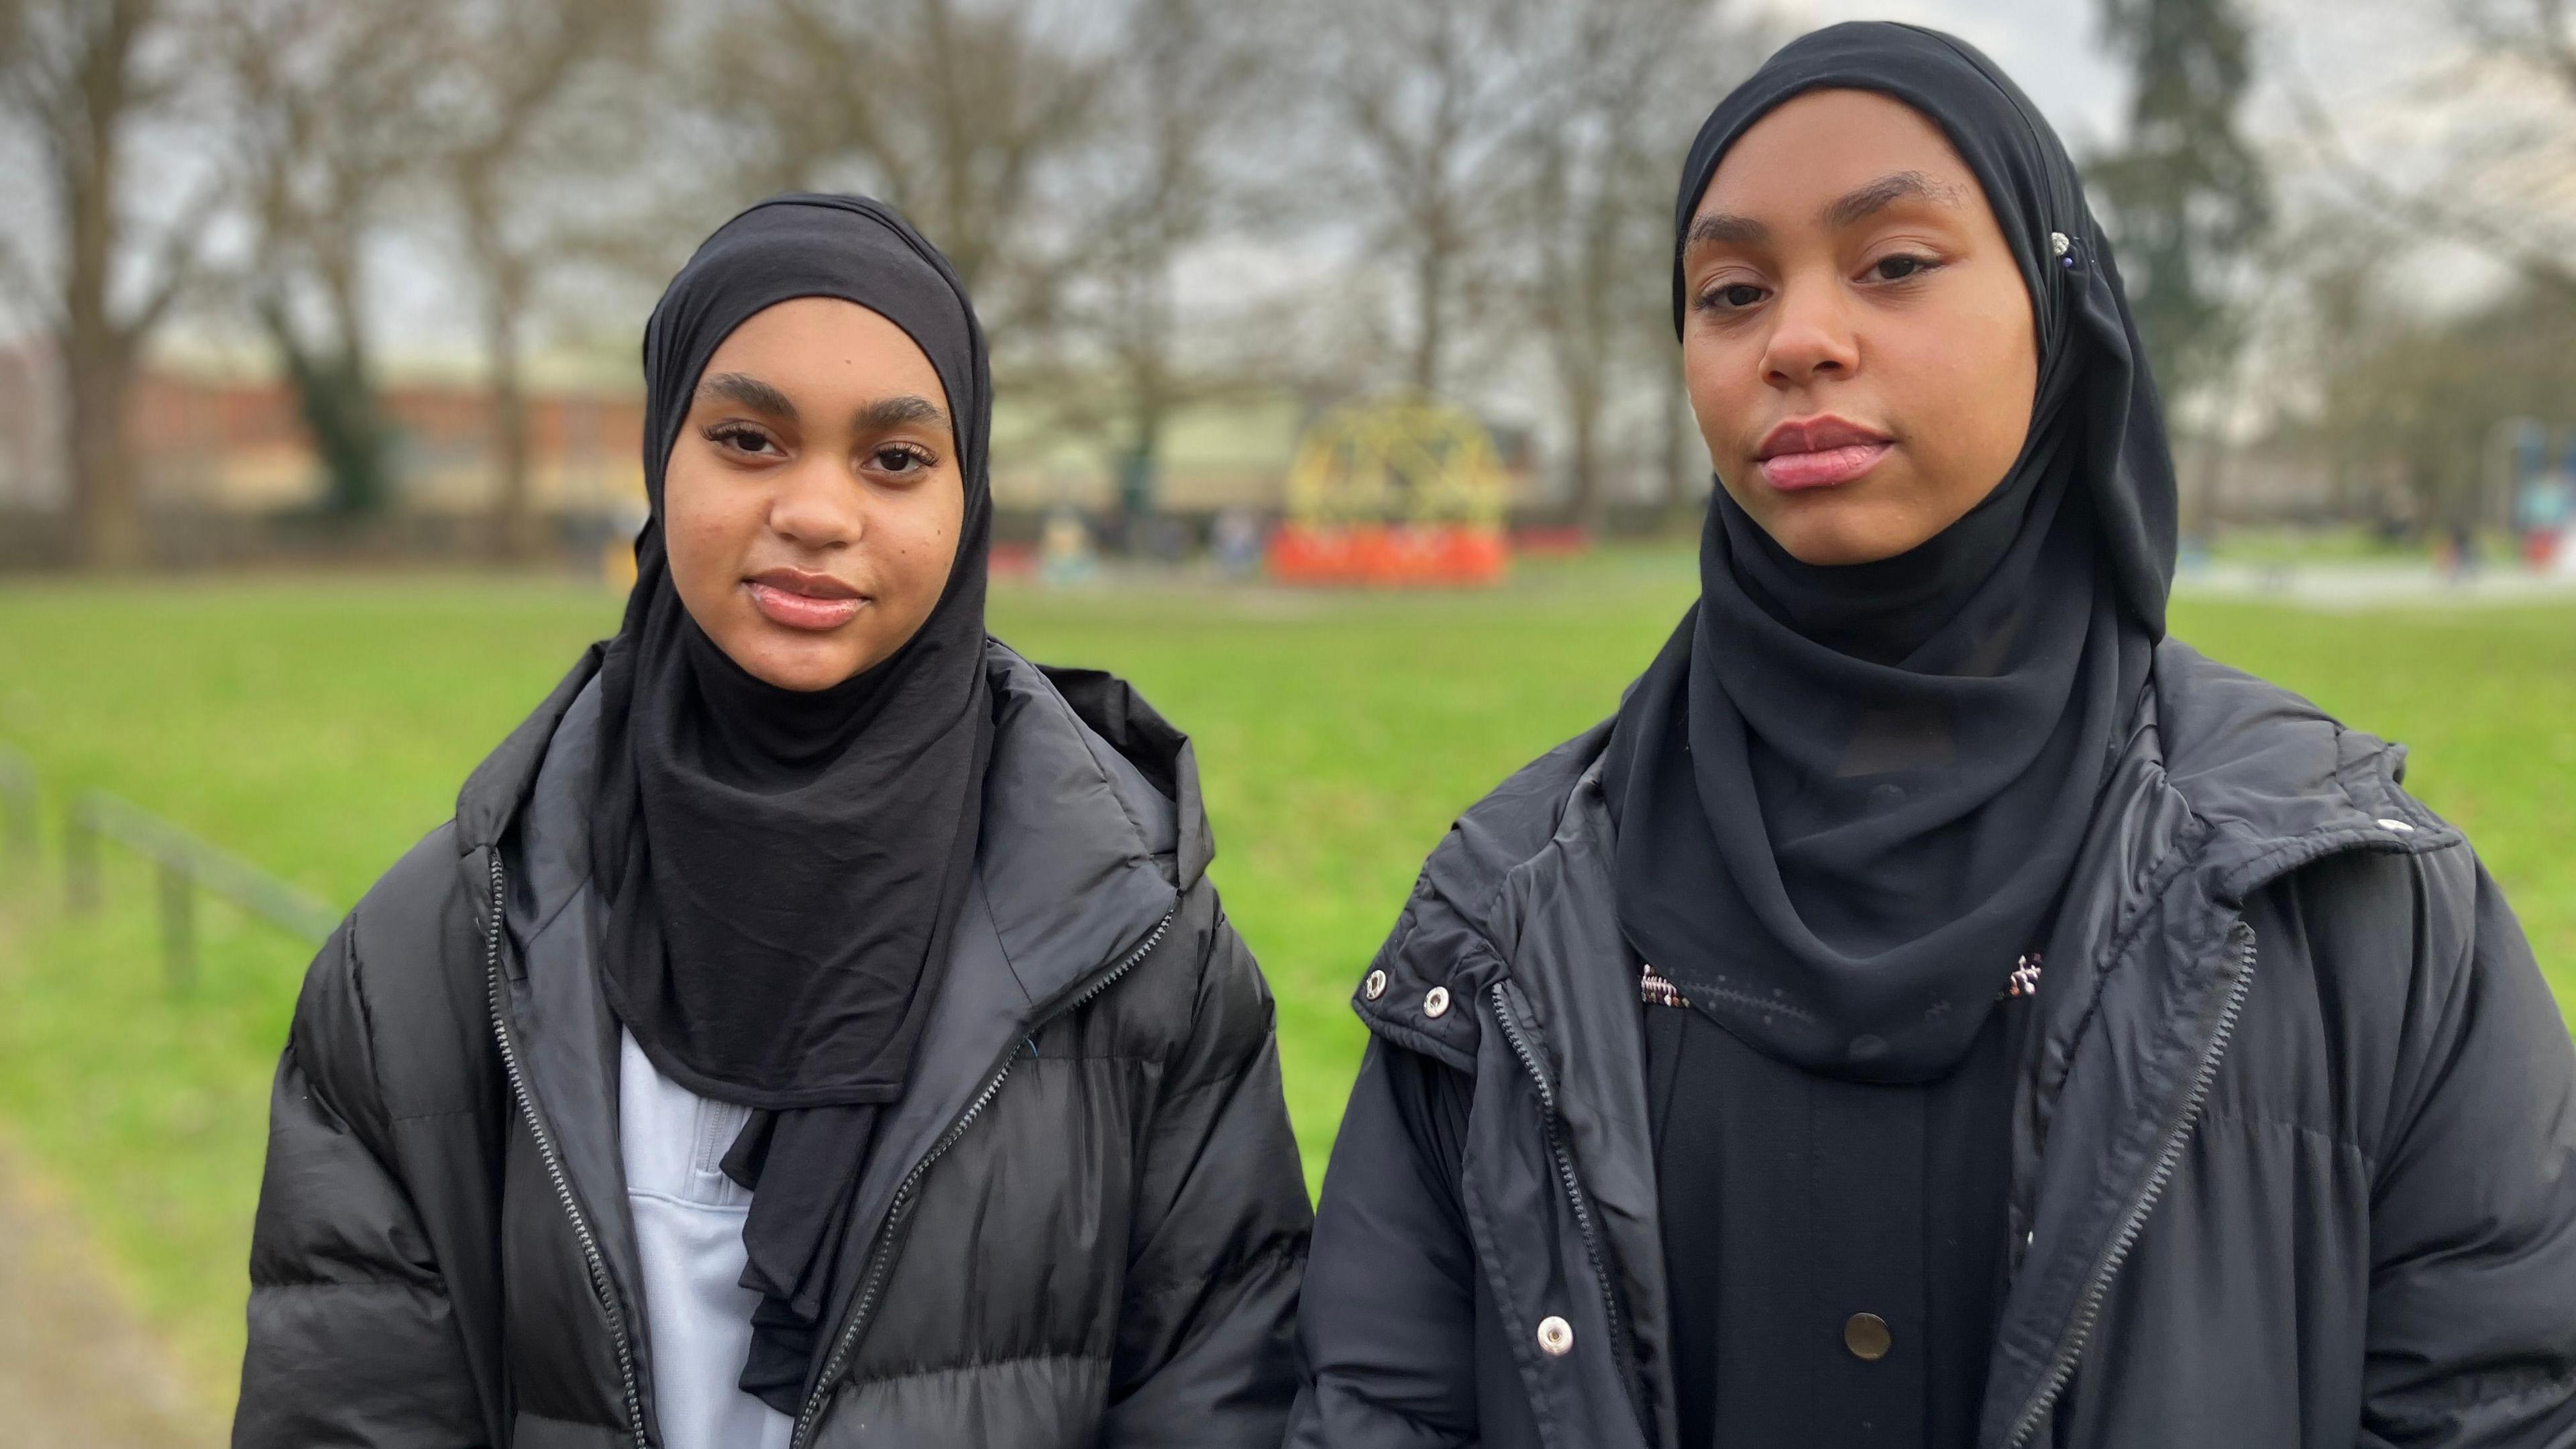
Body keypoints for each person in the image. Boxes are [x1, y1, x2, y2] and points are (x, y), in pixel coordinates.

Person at [1289, 23, 2576, 1449]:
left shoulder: (2350, 893)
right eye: (1730, 291)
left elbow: (2502, 1397)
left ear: (2060, 309)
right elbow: (1385, 1409)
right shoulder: (1498, 922)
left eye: (1895, 263)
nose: (1799, 339)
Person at [232, 195, 1311, 1449]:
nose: (818, 512)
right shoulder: (419, 967)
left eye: (895, 459)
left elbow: (1220, 1395)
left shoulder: (1141, 947)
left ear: (972, 501)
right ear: (659, 457)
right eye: (749, 439)